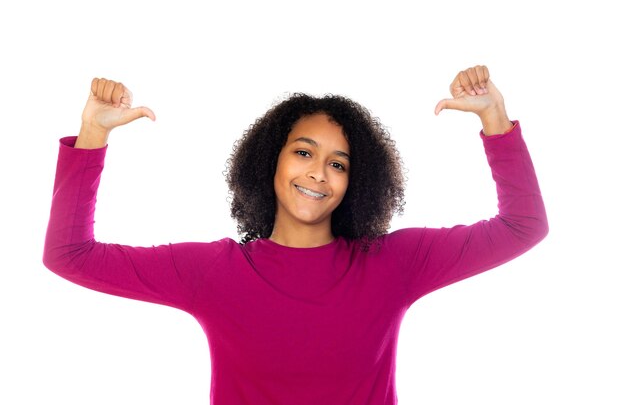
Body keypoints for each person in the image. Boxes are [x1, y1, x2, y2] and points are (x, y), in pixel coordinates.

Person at [43, 65, 548, 405]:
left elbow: (522, 226)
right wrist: (93, 135)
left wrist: (494, 119)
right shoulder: (214, 272)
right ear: (271, 161)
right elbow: (70, 255)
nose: (319, 174)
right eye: (303, 153)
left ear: (357, 181)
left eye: (338, 163)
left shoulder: (393, 262)